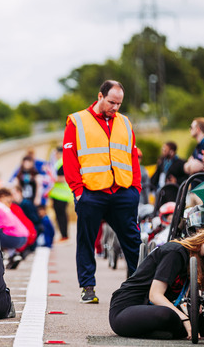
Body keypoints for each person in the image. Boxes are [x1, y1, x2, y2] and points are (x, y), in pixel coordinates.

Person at [63, 80, 142, 304]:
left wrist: (135, 188)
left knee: (132, 241)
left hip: (123, 192)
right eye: (111, 102)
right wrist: (78, 191)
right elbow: (69, 160)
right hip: (91, 193)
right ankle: (88, 287)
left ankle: (139, 285)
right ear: (100, 96)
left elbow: (132, 157)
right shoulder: (77, 121)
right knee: (86, 240)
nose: (115, 107)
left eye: (119, 103)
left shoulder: (125, 122)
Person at [109, 223, 204, 340]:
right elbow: (154, 295)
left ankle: (166, 332)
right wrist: (185, 319)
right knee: (168, 315)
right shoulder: (176, 252)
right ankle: (172, 330)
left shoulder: (197, 260)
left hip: (150, 310)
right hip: (126, 309)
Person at [48, 146, 74, 240]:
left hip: (62, 195)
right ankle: (63, 235)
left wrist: (51, 178)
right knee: (60, 215)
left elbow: (63, 178)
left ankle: (64, 235)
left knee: (61, 216)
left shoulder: (63, 162)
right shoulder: (58, 163)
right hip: (58, 194)